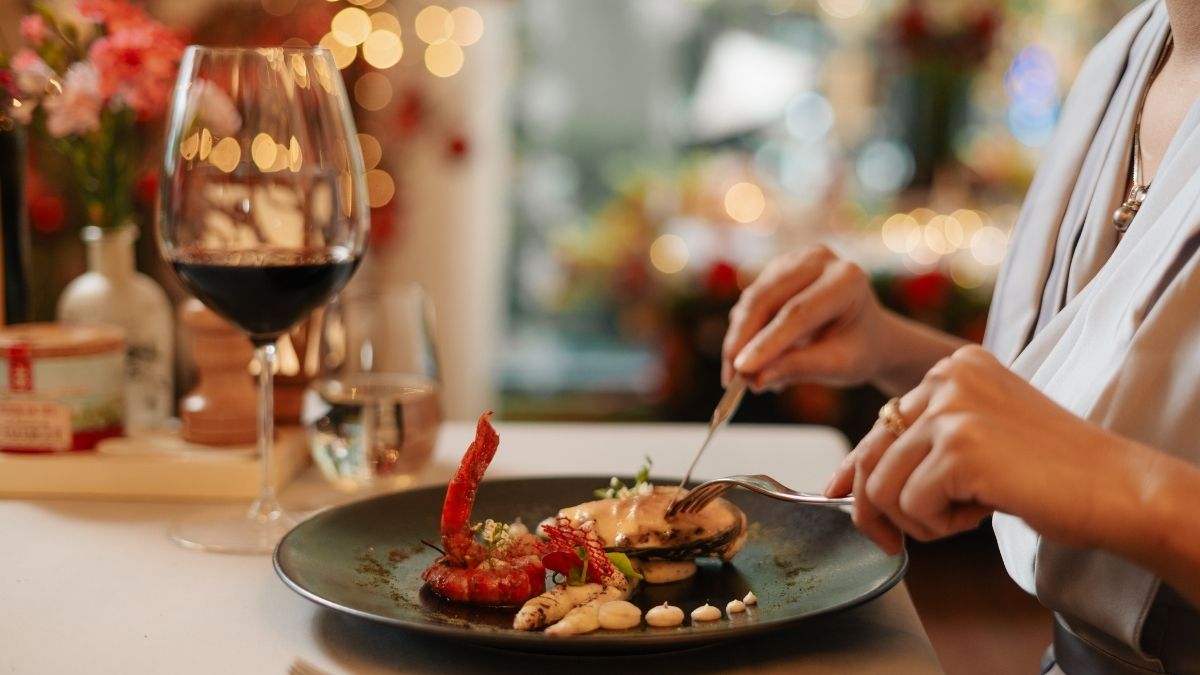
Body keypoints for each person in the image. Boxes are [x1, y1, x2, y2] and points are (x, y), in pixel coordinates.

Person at [722, 1, 1200, 672]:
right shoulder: (1129, 52)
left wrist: (1123, 489)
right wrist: (888, 346)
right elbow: (1080, 416)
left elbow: (1093, 462)